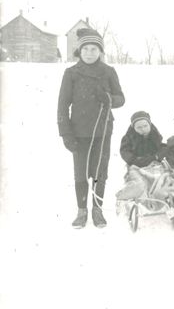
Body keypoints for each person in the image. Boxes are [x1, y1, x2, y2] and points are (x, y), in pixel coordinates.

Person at [57, 28, 125, 228]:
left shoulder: (109, 72)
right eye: (85, 48)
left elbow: (121, 98)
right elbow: (62, 105)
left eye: (94, 49)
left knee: (99, 172)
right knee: (80, 172)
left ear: (100, 51)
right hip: (78, 131)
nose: (89, 52)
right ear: (79, 51)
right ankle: (81, 210)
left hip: (103, 132)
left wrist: (110, 99)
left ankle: (97, 210)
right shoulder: (71, 73)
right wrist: (65, 134)